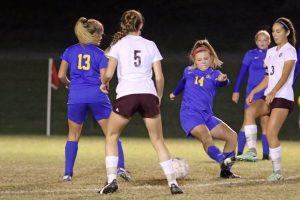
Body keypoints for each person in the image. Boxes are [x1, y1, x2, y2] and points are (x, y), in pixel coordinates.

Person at [97, 10, 183, 195]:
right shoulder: (150, 45)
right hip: (148, 94)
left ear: (123, 25)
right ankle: (173, 183)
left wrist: (104, 84)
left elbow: (109, 74)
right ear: (141, 25)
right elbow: (159, 78)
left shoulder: (117, 45)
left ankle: (112, 181)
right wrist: (158, 97)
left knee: (111, 136)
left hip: (127, 94)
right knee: (158, 140)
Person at [58, 17, 130, 182]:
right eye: (100, 34)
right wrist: (106, 82)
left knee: (73, 135)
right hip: (97, 96)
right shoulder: (99, 54)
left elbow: (61, 75)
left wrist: (69, 84)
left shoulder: (69, 50)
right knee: (112, 133)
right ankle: (120, 168)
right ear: (93, 34)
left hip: (76, 96)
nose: (102, 37)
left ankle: (68, 173)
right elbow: (104, 78)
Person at [169, 39, 239, 179]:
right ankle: (222, 160)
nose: (203, 61)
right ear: (195, 61)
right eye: (200, 59)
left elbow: (223, 82)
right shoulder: (188, 71)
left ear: (211, 58)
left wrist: (223, 79)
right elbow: (182, 82)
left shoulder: (214, 75)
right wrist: (174, 93)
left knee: (232, 136)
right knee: (206, 137)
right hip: (190, 114)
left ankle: (226, 171)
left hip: (206, 116)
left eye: (206, 58)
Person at [241, 17, 297, 181]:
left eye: (278, 31)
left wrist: (272, 92)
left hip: (283, 97)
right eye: (273, 31)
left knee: (271, 133)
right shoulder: (271, 52)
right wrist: (254, 91)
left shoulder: (290, 50)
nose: (275, 34)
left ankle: (277, 172)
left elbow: (285, 76)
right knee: (250, 110)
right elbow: (268, 77)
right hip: (269, 95)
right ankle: (252, 151)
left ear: (287, 32)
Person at [232, 30, 271, 161]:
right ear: (256, 42)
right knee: (246, 122)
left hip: (266, 94)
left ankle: (265, 156)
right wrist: (236, 90)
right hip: (252, 94)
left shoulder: (273, 54)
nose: (263, 42)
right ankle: (240, 153)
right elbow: (242, 73)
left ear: (269, 42)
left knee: (265, 124)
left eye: (265, 40)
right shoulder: (250, 55)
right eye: (260, 40)